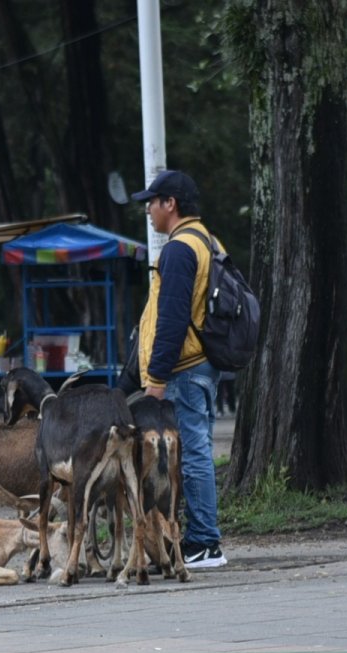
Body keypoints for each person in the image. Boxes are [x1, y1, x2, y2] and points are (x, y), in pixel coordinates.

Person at [133, 169, 227, 569]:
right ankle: (200, 538)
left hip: (184, 370)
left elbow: (171, 319)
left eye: (152, 203)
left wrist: (155, 380)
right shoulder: (207, 240)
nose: (149, 211)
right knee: (196, 450)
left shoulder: (179, 249)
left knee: (192, 456)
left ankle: (204, 542)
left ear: (170, 204)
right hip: (201, 363)